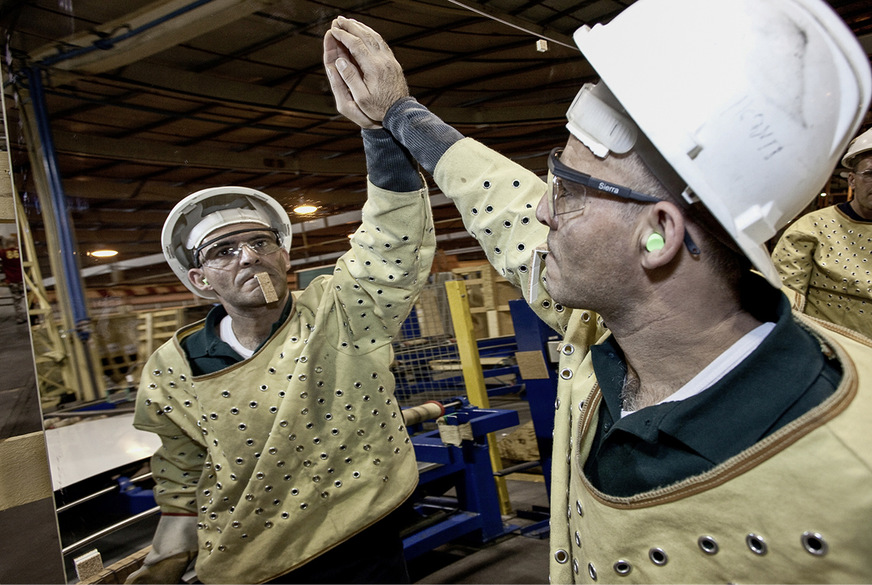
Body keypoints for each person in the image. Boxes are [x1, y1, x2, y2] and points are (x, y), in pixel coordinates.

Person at [323, 1, 872, 582]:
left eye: (569, 192)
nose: (540, 208)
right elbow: (505, 208)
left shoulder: (851, 478)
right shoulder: (606, 334)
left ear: (658, 237)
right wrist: (397, 117)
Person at [127, 135, 435, 582]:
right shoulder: (174, 365)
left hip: (362, 540)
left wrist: (382, 130)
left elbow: (392, 245)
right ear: (200, 280)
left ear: (284, 256)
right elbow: (183, 470)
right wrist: (168, 555)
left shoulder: (339, 312)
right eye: (223, 252)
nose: (249, 257)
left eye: (261, 242)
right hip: (251, 561)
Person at [771, 126, 872, 338]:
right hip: (829, 351)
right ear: (852, 180)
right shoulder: (811, 229)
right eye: (870, 174)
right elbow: (785, 301)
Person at [0, 234, 27, 324]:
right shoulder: (19, 252)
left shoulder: (3, 253)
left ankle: (20, 317)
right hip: (22, 279)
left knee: (17, 299)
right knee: (27, 297)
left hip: (12, 280)